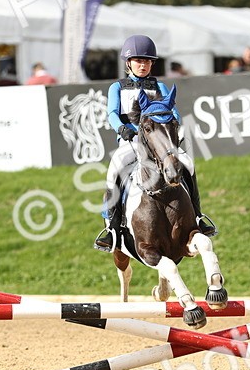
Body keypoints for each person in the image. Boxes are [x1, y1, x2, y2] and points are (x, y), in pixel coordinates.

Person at [93, 35, 218, 252]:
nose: (143, 65)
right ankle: (111, 227)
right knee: (115, 168)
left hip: (158, 144)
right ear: (129, 63)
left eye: (147, 61)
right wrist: (124, 129)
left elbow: (172, 112)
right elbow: (112, 113)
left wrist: (174, 124)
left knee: (187, 163)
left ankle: (198, 216)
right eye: (139, 61)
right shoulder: (117, 87)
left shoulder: (158, 86)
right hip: (131, 141)